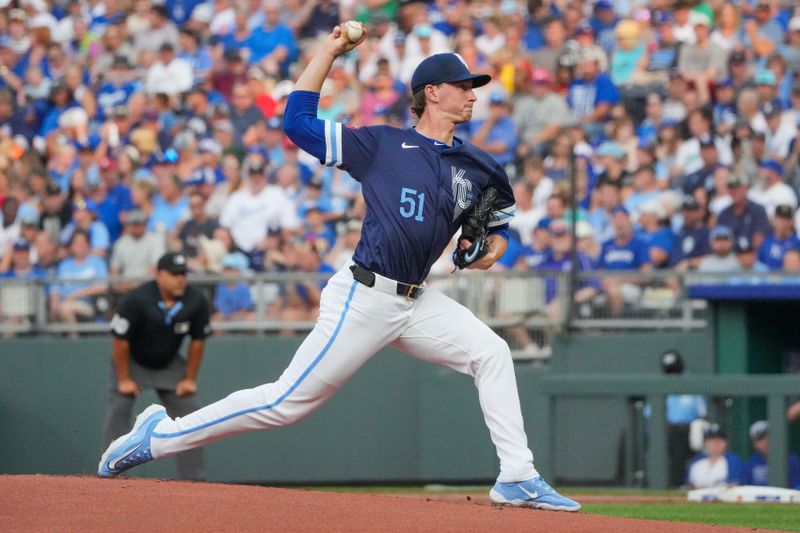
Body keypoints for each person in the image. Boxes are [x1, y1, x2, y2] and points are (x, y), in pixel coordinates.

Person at [98, 25, 580, 512]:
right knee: (285, 403)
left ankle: (517, 475)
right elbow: (298, 122)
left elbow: (498, 223)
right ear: (431, 93)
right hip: (365, 295)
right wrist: (328, 50)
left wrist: (491, 248)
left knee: (492, 353)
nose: (472, 94)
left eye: (473, 86)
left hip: (417, 300)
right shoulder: (381, 146)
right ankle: (157, 438)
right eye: (462, 85)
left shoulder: (479, 165)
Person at [103, 252, 211, 481]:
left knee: (189, 412)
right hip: (132, 360)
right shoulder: (136, 298)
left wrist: (189, 378)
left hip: (168, 362)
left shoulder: (195, 300)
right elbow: (120, 341)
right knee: (119, 410)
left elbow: (198, 341)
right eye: (174, 274)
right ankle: (114, 475)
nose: (180, 279)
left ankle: (193, 479)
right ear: (159, 275)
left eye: (183, 274)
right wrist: (124, 378)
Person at [742, 420, 800, 488]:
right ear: (754, 444)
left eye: (768, 436)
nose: (766, 441)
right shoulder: (751, 463)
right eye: (760, 438)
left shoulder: (790, 460)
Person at [686, 423, 744, 489]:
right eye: (712, 439)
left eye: (720, 439)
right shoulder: (696, 461)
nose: (716, 442)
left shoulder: (733, 460)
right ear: (705, 442)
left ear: (726, 442)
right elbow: (688, 486)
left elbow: (734, 485)